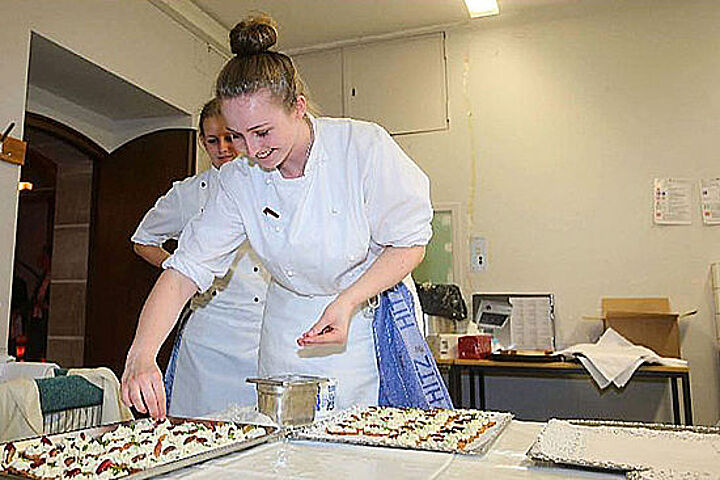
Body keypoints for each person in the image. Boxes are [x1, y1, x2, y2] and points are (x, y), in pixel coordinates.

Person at [122, 14, 437, 419]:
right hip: (285, 326)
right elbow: (186, 269)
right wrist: (142, 353)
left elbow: (409, 243)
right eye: (237, 136)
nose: (250, 150)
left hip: (357, 316)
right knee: (281, 439)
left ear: (299, 109)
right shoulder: (240, 179)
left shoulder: (362, 148)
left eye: (262, 133)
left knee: (354, 440)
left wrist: (347, 301)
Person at [130, 98, 268, 417]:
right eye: (212, 140)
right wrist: (180, 273)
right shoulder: (187, 194)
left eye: (229, 137)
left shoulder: (267, 182)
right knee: (199, 430)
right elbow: (142, 240)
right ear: (201, 143)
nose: (223, 147)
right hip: (211, 334)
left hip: (264, 328)